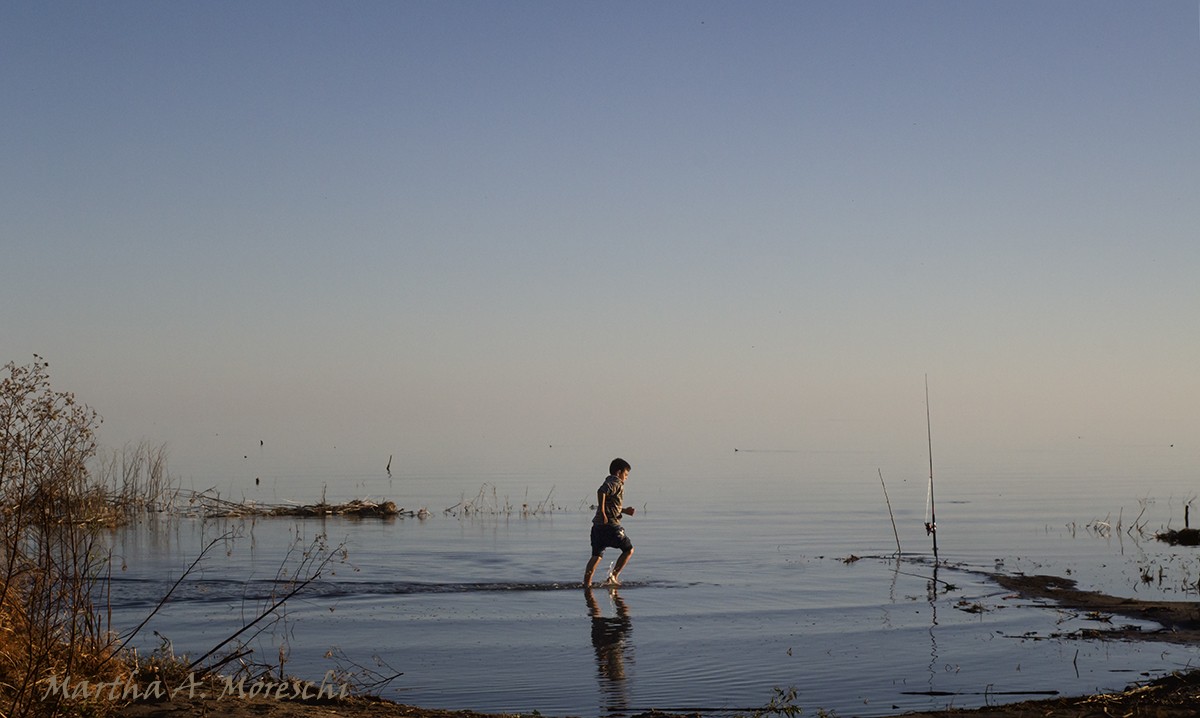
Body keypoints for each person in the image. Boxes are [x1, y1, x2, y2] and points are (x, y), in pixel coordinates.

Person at [583, 458, 635, 587]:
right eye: (626, 474)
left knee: (596, 555)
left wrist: (624, 510)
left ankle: (587, 584)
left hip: (598, 527)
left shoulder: (610, 480)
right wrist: (602, 512)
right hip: (610, 526)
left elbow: (609, 503)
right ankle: (613, 578)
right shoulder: (616, 481)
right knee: (628, 550)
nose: (626, 478)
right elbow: (601, 491)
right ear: (618, 472)